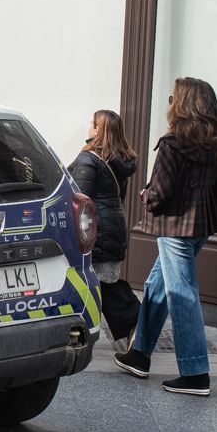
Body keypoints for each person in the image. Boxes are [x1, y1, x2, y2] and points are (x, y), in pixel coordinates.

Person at [114, 78, 217, 397]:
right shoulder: (212, 143)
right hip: (201, 226)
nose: (169, 103)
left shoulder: (171, 144)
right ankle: (139, 355)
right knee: (158, 285)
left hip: (174, 228)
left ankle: (196, 372)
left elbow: (161, 193)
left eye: (173, 98)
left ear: (181, 105)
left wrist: (146, 196)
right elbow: (215, 187)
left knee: (182, 292)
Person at [68, 110, 139, 350]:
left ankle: (136, 320)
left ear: (98, 130)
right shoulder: (118, 159)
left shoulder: (89, 158)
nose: (89, 128)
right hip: (113, 228)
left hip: (94, 230)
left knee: (90, 282)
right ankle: (132, 324)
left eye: (92, 124)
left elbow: (78, 197)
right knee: (98, 282)